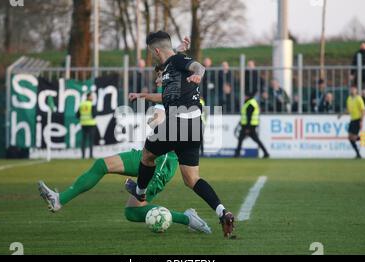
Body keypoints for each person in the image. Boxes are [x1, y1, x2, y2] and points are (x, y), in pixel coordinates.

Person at [127, 31, 235, 238]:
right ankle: (223, 212)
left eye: (152, 53)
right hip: (193, 126)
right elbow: (166, 96)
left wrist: (198, 74)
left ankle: (140, 192)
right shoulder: (170, 68)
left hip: (180, 121)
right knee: (192, 179)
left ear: (156, 50)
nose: (152, 56)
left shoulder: (177, 60)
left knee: (147, 155)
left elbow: (198, 66)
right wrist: (143, 95)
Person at [37, 149, 211, 234]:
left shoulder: (175, 89)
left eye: (158, 76)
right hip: (147, 153)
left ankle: (188, 218)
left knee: (132, 212)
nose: (156, 80)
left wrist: (158, 118)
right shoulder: (166, 89)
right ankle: (59, 200)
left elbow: (165, 115)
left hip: (164, 159)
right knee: (101, 165)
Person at [234, 93, 270, 159]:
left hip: (249, 125)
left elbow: (249, 116)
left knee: (242, 139)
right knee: (253, 139)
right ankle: (266, 153)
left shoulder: (250, 104)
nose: (244, 97)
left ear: (248, 96)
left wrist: (248, 128)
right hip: (250, 125)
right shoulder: (251, 102)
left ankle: (237, 154)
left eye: (245, 96)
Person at [344, 85, 365, 159]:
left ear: (356, 90)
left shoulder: (358, 98)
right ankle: (358, 154)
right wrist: (341, 114)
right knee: (350, 137)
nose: (352, 90)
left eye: (354, 89)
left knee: (353, 138)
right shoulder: (349, 98)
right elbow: (348, 110)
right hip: (352, 120)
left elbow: (363, 110)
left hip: (357, 119)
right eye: (351, 89)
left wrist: (361, 121)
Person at [77, 93, 97, 159]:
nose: (92, 98)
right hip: (91, 124)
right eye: (91, 96)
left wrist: (83, 118)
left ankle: (83, 156)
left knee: (83, 140)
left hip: (83, 124)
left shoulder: (81, 104)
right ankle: (90, 155)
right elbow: (94, 115)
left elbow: (77, 115)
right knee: (91, 141)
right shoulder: (91, 105)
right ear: (88, 97)